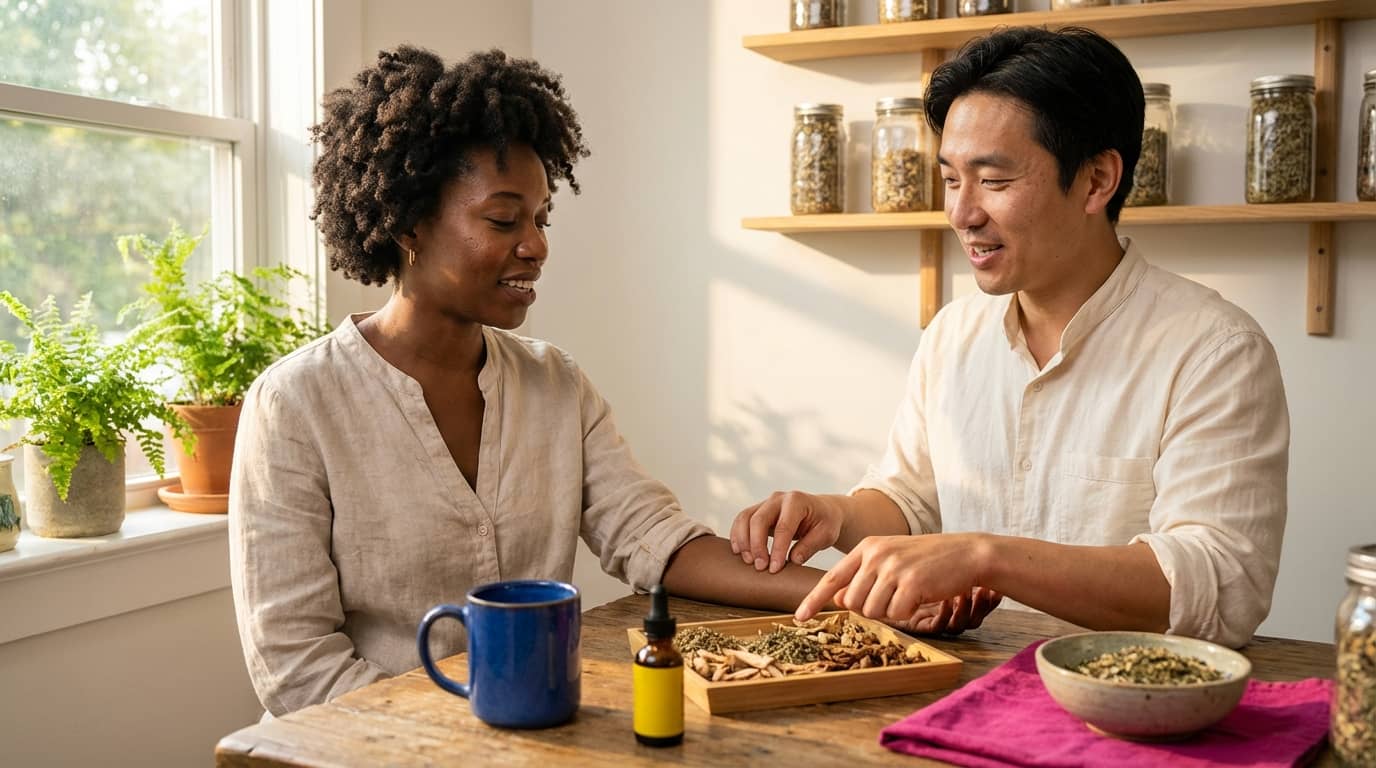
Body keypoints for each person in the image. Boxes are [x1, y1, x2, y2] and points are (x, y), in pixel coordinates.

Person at [228, 46, 821, 716]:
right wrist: (462, 735)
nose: (535, 245)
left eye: (541, 219)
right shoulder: (296, 404)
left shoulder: (554, 383)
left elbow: (653, 538)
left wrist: (843, 593)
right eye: (504, 220)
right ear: (408, 223)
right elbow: (296, 668)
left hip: (538, 732)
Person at [730, 26, 1289, 648]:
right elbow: (913, 502)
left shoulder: (1213, 350)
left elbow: (1221, 582)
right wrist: (836, 514)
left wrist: (985, 556)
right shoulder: (954, 336)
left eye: (993, 180)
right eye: (950, 179)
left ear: (1097, 180)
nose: (962, 213)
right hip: (962, 688)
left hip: (1136, 710)